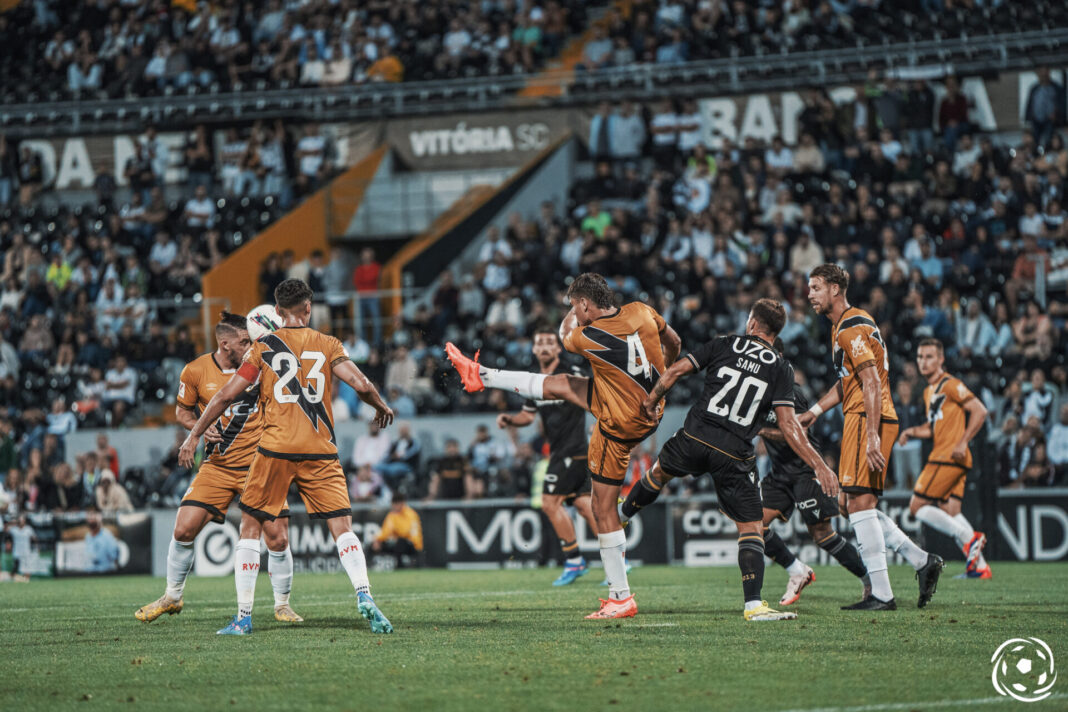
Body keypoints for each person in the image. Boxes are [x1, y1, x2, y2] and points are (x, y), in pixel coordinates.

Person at [448, 272, 681, 619]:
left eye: (577, 305)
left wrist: (570, 313)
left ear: (585, 304)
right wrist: (667, 378)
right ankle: (482, 375)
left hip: (620, 424)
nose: (576, 312)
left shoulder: (587, 336)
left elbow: (563, 335)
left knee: (602, 510)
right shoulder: (642, 310)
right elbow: (674, 341)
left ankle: (620, 597)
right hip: (652, 403)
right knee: (563, 383)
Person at [178, 279, 395, 635]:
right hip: (321, 450)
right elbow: (361, 385)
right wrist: (381, 406)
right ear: (308, 308)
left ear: (276, 312)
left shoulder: (262, 348)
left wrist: (195, 433)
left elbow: (225, 397)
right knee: (342, 529)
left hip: (275, 449)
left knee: (250, 527)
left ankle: (243, 618)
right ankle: (364, 594)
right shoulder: (328, 344)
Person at [618, 300, 838, 621]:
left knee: (657, 474)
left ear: (751, 324)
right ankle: (753, 606)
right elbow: (790, 425)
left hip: (694, 436)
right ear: (776, 333)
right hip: (733, 452)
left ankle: (622, 516)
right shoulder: (781, 367)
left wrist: (651, 401)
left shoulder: (725, 343)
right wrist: (819, 464)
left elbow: (678, 368)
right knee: (751, 528)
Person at [136, 311, 303, 624]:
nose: (249, 344)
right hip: (218, 466)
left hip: (259, 466)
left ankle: (282, 605)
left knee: (278, 539)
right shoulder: (195, 370)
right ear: (225, 344)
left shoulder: (260, 364)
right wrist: (199, 427)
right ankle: (172, 596)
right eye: (243, 341)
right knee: (184, 528)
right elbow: (182, 412)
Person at [800, 263, 944, 610]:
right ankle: (922, 562)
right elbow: (849, 381)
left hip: (867, 417)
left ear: (836, 289)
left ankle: (882, 594)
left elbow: (871, 382)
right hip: (864, 415)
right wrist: (815, 412)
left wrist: (873, 437)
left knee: (860, 503)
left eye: (816, 287)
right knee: (852, 504)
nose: (810, 294)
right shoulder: (851, 324)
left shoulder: (849, 328)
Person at [757, 339, 870, 606]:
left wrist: (760, 431)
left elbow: (798, 432)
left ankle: (869, 581)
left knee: (823, 535)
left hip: (806, 471)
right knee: (753, 526)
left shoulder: (791, 392)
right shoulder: (759, 392)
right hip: (780, 473)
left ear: (779, 356)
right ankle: (797, 570)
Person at [495, 326, 598, 587]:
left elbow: (593, 397)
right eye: (538, 342)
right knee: (584, 507)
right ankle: (619, 558)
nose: (543, 346)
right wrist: (511, 419)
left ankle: (574, 560)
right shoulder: (534, 382)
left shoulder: (570, 373)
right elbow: (528, 415)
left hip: (572, 449)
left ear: (557, 348)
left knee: (549, 502)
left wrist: (599, 423)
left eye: (548, 342)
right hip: (564, 452)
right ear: (533, 348)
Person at [897, 339, 991, 579]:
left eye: (929, 357)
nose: (923, 362)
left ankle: (970, 541)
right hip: (952, 457)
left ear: (941, 360)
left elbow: (980, 411)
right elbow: (932, 428)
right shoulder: (929, 391)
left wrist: (962, 441)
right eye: (920, 357)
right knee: (950, 510)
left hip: (947, 456)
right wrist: (911, 431)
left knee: (917, 507)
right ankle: (979, 567)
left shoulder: (951, 384)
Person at [372, 493, 423, 567]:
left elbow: (406, 532)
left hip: (413, 545)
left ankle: (399, 566)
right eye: (393, 504)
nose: (394, 507)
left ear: (402, 503)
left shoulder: (411, 514)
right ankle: (370, 566)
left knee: (400, 542)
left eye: (396, 504)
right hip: (398, 542)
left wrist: (394, 532)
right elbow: (385, 531)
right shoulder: (392, 515)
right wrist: (377, 540)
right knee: (376, 543)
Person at [8, 514, 35, 582]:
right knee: (16, 567)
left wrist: (35, 547)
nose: (20, 522)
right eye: (19, 521)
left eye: (22, 521)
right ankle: (15, 579)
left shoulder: (28, 529)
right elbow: (7, 536)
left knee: (27, 567)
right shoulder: (13, 529)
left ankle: (26, 580)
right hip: (16, 551)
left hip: (26, 550)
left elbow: (34, 538)